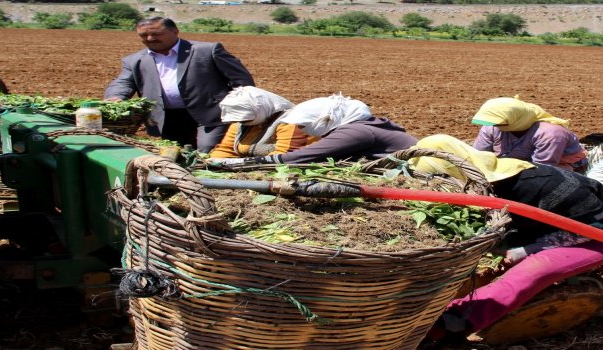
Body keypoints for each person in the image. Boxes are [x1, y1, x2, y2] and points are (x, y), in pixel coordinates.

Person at [408, 134, 603, 345]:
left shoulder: (530, 182)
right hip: (548, 230)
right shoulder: (486, 178)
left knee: (535, 271)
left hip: (590, 234)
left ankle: (451, 324)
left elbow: (585, 227)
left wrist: (529, 250)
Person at [104, 17, 255, 153]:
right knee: (176, 152)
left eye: (157, 34)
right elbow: (123, 82)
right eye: (144, 35)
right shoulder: (134, 60)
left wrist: (242, 106)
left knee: (207, 150)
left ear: (175, 31)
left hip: (211, 113)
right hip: (168, 117)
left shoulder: (207, 50)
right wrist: (115, 97)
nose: (150, 38)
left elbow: (241, 79)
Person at [210, 94, 418, 165]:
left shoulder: (354, 132)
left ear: (327, 120)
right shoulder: (361, 126)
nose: (304, 130)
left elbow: (298, 158)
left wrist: (238, 164)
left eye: (304, 125)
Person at [471, 96, 587, 172]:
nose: (494, 126)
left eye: (499, 122)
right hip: (511, 168)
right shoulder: (491, 128)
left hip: (558, 171)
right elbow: (478, 155)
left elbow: (544, 169)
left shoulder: (550, 134)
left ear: (515, 118)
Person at [208, 86, 313, 159]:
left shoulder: (291, 122)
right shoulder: (240, 124)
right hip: (250, 168)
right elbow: (226, 149)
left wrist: (243, 166)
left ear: (260, 110)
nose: (242, 122)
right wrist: (212, 162)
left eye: (246, 119)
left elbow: (285, 156)